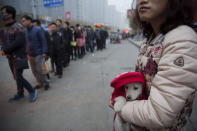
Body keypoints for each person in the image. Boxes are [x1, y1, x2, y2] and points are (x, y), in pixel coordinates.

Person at [117, 0, 197, 130]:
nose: (141, 1)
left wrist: (121, 107)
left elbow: (159, 114)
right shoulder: (152, 38)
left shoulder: (182, 39)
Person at [0, 5, 37, 102]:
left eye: (4, 12)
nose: (2, 14)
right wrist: (3, 49)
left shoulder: (18, 27)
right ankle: (20, 93)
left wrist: (5, 50)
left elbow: (19, 42)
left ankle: (32, 91)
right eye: (1, 13)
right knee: (16, 77)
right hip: (10, 56)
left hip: (19, 56)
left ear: (11, 14)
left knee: (18, 76)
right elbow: (3, 41)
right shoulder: (3, 28)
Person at [21, 15, 50, 90]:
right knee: (34, 70)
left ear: (29, 20)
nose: (22, 22)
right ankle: (40, 83)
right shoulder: (25, 31)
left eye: (24, 21)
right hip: (30, 54)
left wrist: (44, 52)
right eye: (22, 21)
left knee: (40, 69)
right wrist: (26, 53)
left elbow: (43, 41)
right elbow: (26, 42)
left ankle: (46, 83)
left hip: (39, 53)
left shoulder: (38, 29)